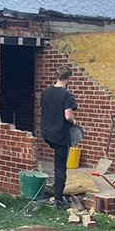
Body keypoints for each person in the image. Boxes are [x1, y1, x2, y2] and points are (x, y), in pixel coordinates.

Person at [40, 64, 79, 209]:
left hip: (46, 133)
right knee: (60, 167)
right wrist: (74, 122)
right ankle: (58, 199)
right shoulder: (67, 95)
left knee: (57, 162)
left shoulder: (45, 92)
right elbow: (68, 116)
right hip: (60, 135)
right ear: (69, 78)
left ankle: (55, 191)